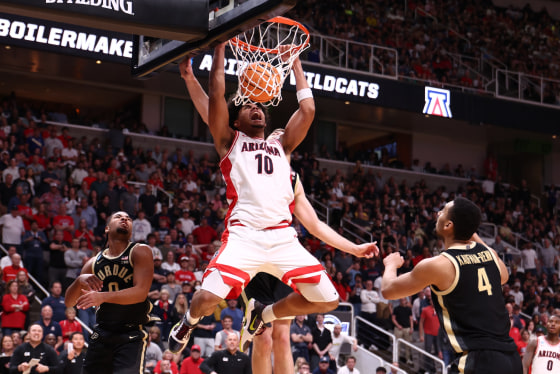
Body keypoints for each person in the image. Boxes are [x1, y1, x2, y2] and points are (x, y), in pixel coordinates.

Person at [169, 42, 376, 355]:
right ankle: (188, 320)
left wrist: (294, 62)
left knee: (330, 300)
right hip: (244, 238)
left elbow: (307, 111)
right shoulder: (230, 142)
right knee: (205, 300)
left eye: (260, 108)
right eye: (247, 108)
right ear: (235, 121)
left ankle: (262, 314)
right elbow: (215, 96)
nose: (256, 109)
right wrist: (220, 48)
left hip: (283, 240)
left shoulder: (284, 153)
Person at [381, 197, 522, 374]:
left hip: (478, 361)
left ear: (449, 225)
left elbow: (388, 290)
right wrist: (468, 227)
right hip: (511, 360)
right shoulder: (490, 254)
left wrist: (390, 265)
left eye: (443, 211)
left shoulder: (439, 264)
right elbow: (504, 275)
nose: (438, 213)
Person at [64, 211, 154, 374]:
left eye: (128, 218)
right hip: (102, 333)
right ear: (106, 228)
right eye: (119, 217)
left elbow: (140, 292)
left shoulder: (140, 251)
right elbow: (70, 303)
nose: (125, 219)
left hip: (130, 334)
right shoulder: (93, 263)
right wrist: (78, 282)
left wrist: (102, 297)